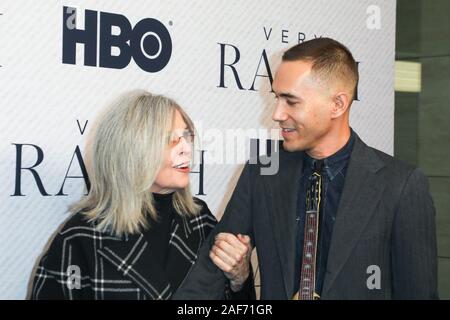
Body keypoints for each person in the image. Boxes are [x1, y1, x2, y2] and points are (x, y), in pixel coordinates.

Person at [173, 38, 438, 300]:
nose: (277, 113)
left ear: (338, 104)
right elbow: (209, 274)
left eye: (291, 101)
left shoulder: (400, 185)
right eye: (277, 98)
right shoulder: (263, 170)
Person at [30, 90, 220, 299]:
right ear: (132, 149)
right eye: (170, 140)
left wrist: (239, 279)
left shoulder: (201, 221)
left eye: (186, 136)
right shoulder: (79, 239)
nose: (186, 149)